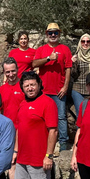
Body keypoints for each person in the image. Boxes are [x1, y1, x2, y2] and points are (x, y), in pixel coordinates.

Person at [9, 71, 59, 179]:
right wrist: (15, 150)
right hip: (22, 156)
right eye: (26, 85)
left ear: (39, 85)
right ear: (22, 87)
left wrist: (49, 155)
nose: (30, 88)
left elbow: (53, 130)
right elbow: (19, 129)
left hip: (39, 158)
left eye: (33, 84)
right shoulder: (22, 103)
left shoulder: (48, 103)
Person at [32, 23, 72, 151]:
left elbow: (68, 69)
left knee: (61, 117)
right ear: (46, 34)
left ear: (59, 34)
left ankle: (64, 144)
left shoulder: (65, 49)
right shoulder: (41, 50)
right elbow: (34, 64)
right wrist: (49, 58)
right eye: (50, 33)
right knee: (42, 117)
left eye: (55, 32)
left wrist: (65, 87)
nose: (53, 35)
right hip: (43, 90)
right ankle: (42, 142)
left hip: (58, 90)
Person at [0, 58, 28, 179]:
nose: (10, 74)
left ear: (18, 70)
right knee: (12, 164)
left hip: (25, 130)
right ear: (4, 72)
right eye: (7, 71)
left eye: (13, 71)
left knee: (28, 163)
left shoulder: (24, 86)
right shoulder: (1, 90)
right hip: (9, 132)